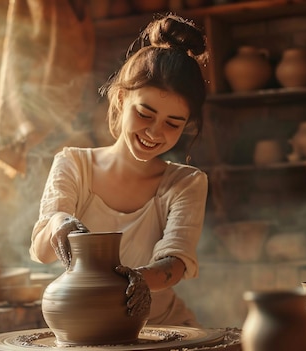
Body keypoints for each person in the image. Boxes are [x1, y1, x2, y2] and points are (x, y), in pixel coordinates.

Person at [30, 13, 209, 327]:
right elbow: (44, 252)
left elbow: (176, 262)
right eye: (145, 113)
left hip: (165, 328)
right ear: (122, 98)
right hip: (84, 329)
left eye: (172, 123)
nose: (154, 132)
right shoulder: (73, 163)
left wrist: (136, 279)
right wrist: (59, 221)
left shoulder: (187, 182)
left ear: (186, 126)